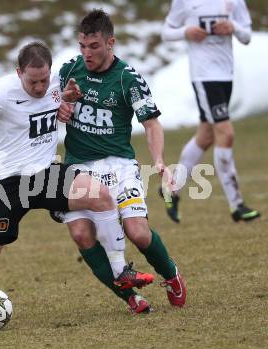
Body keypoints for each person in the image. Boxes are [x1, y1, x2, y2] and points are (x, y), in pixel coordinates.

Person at [0, 42, 154, 327]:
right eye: (32, 81)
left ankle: (121, 272)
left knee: (100, 196)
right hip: (7, 185)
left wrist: (69, 99)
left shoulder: (57, 80)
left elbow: (66, 95)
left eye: (43, 80)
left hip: (46, 176)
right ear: (18, 72)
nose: (39, 87)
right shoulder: (3, 93)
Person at [54, 9, 187, 312]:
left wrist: (159, 162)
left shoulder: (128, 78)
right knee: (81, 234)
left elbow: (151, 123)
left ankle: (171, 274)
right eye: (82, 46)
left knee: (138, 232)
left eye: (94, 46)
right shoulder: (68, 71)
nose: (87, 54)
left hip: (119, 166)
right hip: (79, 168)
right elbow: (41, 104)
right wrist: (61, 105)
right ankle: (131, 298)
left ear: (110, 42)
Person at [161, 0, 260, 223]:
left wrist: (233, 27)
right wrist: (186, 31)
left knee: (205, 136)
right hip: (203, 76)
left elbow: (247, 37)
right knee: (226, 133)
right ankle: (237, 205)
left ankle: (171, 188)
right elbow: (166, 32)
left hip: (226, 75)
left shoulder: (234, 1)